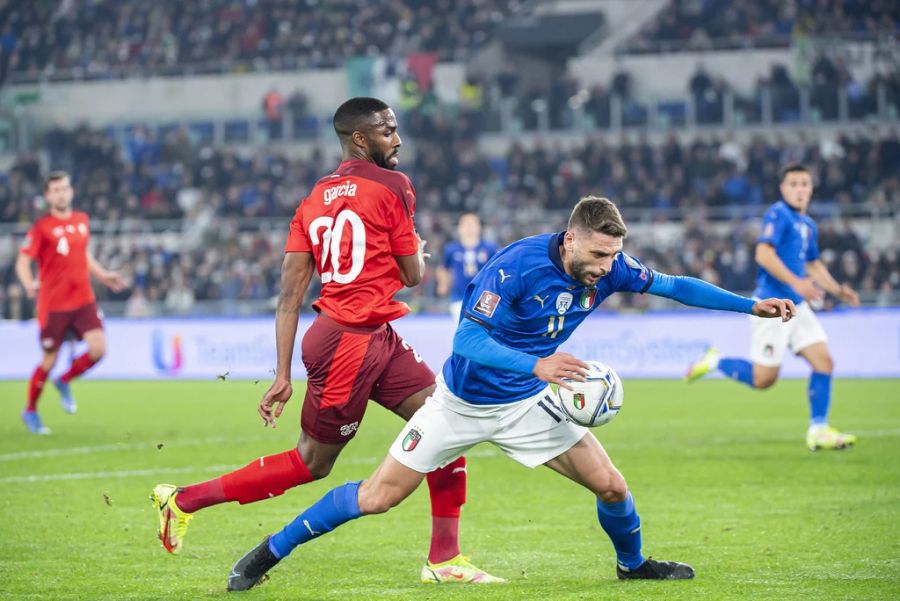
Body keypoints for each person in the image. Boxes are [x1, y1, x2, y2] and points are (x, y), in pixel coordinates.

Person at [224, 196, 796, 591]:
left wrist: (751, 305)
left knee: (612, 486)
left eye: (613, 256)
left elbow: (673, 286)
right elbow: (468, 337)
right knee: (377, 498)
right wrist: (537, 363)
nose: (606, 267)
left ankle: (633, 565)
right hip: (460, 405)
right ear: (570, 239)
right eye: (597, 255)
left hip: (528, 404)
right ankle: (268, 552)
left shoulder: (612, 267)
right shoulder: (516, 266)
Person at [151, 97, 501, 584]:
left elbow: (288, 298)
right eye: (387, 131)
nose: (397, 139)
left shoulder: (313, 199)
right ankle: (184, 498)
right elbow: (413, 275)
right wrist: (417, 253)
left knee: (445, 422)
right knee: (311, 464)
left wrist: (281, 373)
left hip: (370, 334)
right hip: (348, 347)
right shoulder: (395, 185)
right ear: (360, 138)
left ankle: (444, 560)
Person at [685, 163, 860, 451]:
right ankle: (714, 361)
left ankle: (819, 429)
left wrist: (838, 290)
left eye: (805, 183)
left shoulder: (808, 225)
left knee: (824, 362)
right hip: (772, 307)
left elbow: (813, 265)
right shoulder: (778, 214)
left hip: (799, 307)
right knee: (763, 380)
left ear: (811, 188)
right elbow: (763, 253)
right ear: (783, 188)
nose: (800, 189)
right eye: (793, 184)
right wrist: (797, 282)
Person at [15, 171, 126, 434]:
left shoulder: (82, 220)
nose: (61, 194)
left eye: (64, 188)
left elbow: (83, 254)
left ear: (71, 191)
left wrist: (103, 275)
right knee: (49, 360)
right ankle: (30, 410)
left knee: (98, 349)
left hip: (83, 299)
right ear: (47, 196)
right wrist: (29, 283)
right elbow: (23, 260)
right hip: (54, 305)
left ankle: (64, 381)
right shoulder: (41, 227)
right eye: (55, 190)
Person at [436, 213, 498, 319]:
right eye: (466, 225)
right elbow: (443, 268)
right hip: (459, 296)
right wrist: (443, 283)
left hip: (485, 297)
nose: (469, 228)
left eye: (472, 225)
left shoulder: (490, 248)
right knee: (461, 328)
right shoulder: (451, 249)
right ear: (459, 228)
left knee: (483, 329)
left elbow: (497, 269)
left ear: (479, 228)